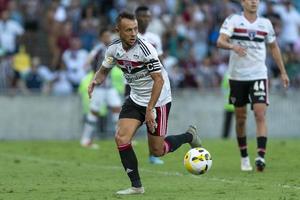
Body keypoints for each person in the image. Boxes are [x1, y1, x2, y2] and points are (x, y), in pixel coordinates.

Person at [88, 12, 202, 195]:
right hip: (135, 99)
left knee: (157, 150)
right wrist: (95, 81)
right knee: (121, 138)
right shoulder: (113, 49)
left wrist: (150, 109)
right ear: (118, 31)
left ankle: (189, 136)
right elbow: (104, 69)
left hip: (159, 100)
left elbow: (159, 80)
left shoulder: (146, 49)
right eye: (128, 30)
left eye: (135, 29)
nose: (133, 33)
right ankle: (136, 186)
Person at [217, 0, 289, 172]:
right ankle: (244, 157)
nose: (253, 2)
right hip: (237, 77)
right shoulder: (233, 20)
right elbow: (220, 41)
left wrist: (283, 72)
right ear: (243, 2)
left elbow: (274, 47)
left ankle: (260, 156)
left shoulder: (265, 23)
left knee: (260, 113)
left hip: (258, 75)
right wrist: (232, 46)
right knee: (240, 118)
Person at [80, 29, 122, 148]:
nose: (108, 38)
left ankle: (121, 139)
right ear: (101, 38)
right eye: (105, 36)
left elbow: (117, 63)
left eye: (109, 36)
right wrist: (88, 65)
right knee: (94, 112)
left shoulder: (112, 49)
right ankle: (85, 139)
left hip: (110, 87)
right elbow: (89, 59)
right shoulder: (98, 49)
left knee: (117, 109)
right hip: (99, 87)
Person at [135, 5, 164, 165]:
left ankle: (153, 154)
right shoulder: (132, 36)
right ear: (136, 18)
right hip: (134, 84)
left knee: (152, 119)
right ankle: (126, 144)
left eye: (147, 17)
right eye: (142, 17)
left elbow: (161, 60)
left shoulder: (155, 38)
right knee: (134, 117)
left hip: (153, 84)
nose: (145, 19)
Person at [221, 71, 234, 139]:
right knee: (227, 122)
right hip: (229, 104)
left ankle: (241, 137)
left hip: (238, 103)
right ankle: (225, 137)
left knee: (241, 122)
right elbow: (223, 87)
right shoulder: (227, 75)